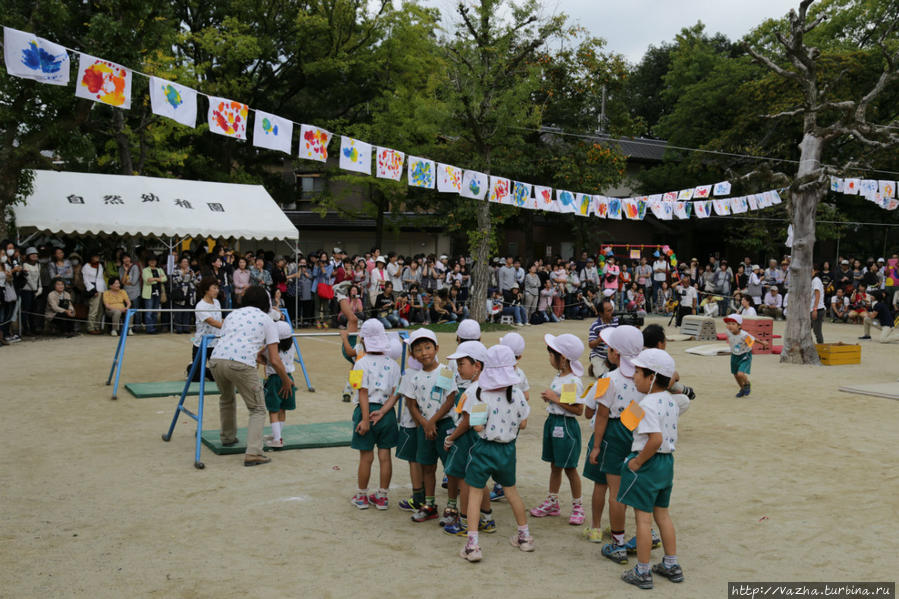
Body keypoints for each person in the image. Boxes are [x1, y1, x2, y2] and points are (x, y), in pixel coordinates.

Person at [457, 344, 533, 562]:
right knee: (511, 492)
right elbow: (524, 423)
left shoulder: (476, 391)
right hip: (507, 449)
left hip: (484, 449)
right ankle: (525, 536)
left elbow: (476, 426)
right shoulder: (516, 392)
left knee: (475, 493)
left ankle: (473, 545)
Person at [617, 349, 685, 589]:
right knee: (663, 515)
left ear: (652, 377)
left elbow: (654, 439)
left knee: (643, 520)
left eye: (637, 372)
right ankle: (671, 563)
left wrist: (637, 462)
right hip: (667, 464)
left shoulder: (646, 403)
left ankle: (643, 571)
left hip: (649, 462)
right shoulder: (671, 401)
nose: (634, 376)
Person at [208, 287, 293, 467]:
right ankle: (253, 453)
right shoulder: (266, 320)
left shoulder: (232, 314)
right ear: (266, 303)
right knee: (258, 409)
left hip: (216, 360)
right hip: (241, 363)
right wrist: (286, 379)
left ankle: (228, 437)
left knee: (226, 398)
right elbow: (275, 359)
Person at [585, 326, 649, 560]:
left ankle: (618, 542)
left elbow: (600, 415)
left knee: (615, 492)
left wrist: (596, 446)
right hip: (639, 431)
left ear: (615, 353)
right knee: (636, 487)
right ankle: (647, 534)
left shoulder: (607, 379)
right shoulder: (646, 376)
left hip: (614, 433)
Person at [397, 329, 458, 522]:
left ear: (436, 348)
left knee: (450, 467)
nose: (424, 353)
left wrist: (432, 421)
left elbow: (450, 399)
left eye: (428, 347)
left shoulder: (445, 371)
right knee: (427, 467)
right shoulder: (414, 377)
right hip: (424, 427)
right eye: (418, 349)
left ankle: (452, 507)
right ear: (413, 354)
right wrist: (424, 423)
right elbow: (411, 404)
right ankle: (429, 505)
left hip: (444, 424)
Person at [530, 333, 585, 525]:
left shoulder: (572, 381)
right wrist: (552, 398)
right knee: (555, 465)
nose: (549, 358)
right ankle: (552, 501)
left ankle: (578, 505)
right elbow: (564, 401)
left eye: (551, 354)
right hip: (553, 423)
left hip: (566, 426)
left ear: (562, 358)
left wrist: (554, 398)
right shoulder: (561, 376)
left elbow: (577, 409)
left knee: (570, 468)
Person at [349, 319, 401, 508]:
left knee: (366, 456)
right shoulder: (394, 365)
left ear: (363, 340)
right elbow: (396, 393)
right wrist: (384, 411)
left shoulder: (359, 363)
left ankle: (362, 496)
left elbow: (360, 391)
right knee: (385, 455)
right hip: (386, 413)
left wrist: (365, 419)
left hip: (366, 410)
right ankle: (382, 496)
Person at [442, 340, 491, 535]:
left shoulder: (472, 390)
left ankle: (464, 521)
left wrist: (451, 438)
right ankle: (487, 519)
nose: (458, 368)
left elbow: (467, 420)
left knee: (464, 479)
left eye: (462, 364)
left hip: (466, 440)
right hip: (478, 439)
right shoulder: (485, 387)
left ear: (477, 366)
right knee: (479, 481)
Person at [262, 320, 298, 450]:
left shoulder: (271, 348)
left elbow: (260, 356)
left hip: (275, 379)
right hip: (289, 377)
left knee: (273, 409)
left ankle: (277, 439)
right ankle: (277, 435)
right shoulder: (292, 346)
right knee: (282, 407)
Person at [724, 313, 766, 398]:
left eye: (733, 324)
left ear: (739, 326)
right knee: (735, 375)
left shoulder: (744, 335)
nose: (730, 326)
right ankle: (742, 388)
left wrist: (762, 343)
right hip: (734, 355)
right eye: (728, 324)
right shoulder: (728, 332)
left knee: (740, 374)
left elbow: (753, 340)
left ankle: (747, 383)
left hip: (744, 355)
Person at [191, 277, 223, 382]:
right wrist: (229, 328)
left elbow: (220, 319)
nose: (216, 290)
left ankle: (209, 372)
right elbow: (212, 322)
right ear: (206, 290)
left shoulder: (217, 302)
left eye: (217, 288)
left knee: (218, 377)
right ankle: (191, 368)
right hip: (202, 343)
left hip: (216, 342)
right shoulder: (200, 306)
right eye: (214, 288)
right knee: (196, 378)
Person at [587, 297, 618, 379]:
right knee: (602, 377)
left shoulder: (617, 321)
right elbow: (591, 344)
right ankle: (594, 366)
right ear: (601, 313)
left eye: (612, 309)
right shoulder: (595, 326)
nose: (612, 312)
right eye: (608, 311)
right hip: (599, 355)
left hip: (614, 355)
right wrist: (600, 338)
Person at [20, 247, 43, 337]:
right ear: (28, 256)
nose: (34, 255)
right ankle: (26, 329)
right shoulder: (25, 264)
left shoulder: (38, 264)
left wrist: (40, 288)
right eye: (32, 254)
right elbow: (28, 278)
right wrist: (34, 289)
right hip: (27, 290)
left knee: (34, 310)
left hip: (35, 290)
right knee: (26, 310)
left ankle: (33, 328)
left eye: (36, 254)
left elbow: (38, 277)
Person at [140, 254, 166, 334]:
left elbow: (165, 279)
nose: (152, 262)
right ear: (148, 262)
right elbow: (147, 281)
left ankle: (154, 327)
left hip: (158, 293)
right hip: (149, 294)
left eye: (154, 260)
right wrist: (158, 279)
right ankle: (149, 328)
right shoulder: (145, 270)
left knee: (155, 311)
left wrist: (153, 279)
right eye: (151, 260)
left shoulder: (160, 269)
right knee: (149, 312)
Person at [82, 251, 106, 334]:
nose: (97, 258)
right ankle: (91, 327)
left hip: (101, 289)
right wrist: (93, 290)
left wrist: (105, 290)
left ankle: (97, 327)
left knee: (100, 310)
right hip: (94, 290)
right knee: (93, 310)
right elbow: (86, 280)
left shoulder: (100, 265)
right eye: (95, 256)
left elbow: (101, 278)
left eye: (98, 257)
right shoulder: (86, 266)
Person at [171, 257, 197, 334]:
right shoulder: (176, 271)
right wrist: (183, 274)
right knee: (178, 311)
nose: (186, 263)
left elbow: (195, 281)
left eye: (187, 262)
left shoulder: (191, 271)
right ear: (180, 263)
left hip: (189, 293)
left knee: (187, 311)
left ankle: (186, 328)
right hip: (180, 292)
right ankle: (178, 328)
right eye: (184, 262)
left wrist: (192, 276)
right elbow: (175, 281)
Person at [811, 265, 826, 344]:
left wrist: (815, 309)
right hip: (813, 308)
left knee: (817, 331)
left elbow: (817, 294)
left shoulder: (816, 280)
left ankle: (821, 347)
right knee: (805, 330)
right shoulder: (812, 280)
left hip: (818, 309)